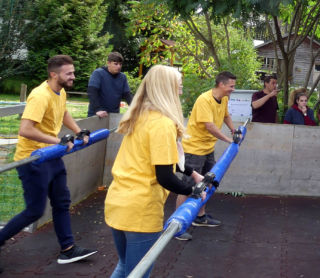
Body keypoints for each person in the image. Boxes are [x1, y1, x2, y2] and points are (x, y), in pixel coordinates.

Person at [105, 65, 205, 277]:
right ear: (166, 88)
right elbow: (165, 176)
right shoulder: (162, 124)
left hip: (118, 202)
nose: (181, 89)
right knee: (139, 273)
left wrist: (192, 173)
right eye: (178, 86)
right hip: (140, 209)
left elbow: (165, 159)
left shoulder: (140, 115)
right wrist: (194, 190)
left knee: (125, 267)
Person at [0, 55, 97, 271]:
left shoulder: (60, 91)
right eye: (69, 73)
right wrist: (58, 140)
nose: (73, 76)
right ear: (54, 74)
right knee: (34, 211)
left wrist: (77, 131)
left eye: (72, 72)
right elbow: (25, 129)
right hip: (33, 159)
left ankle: (68, 249)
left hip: (52, 156)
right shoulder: (39, 96)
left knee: (61, 202)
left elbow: (62, 112)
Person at [175, 71, 238, 240]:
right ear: (221, 85)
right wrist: (228, 140)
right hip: (194, 149)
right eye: (231, 86)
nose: (233, 89)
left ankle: (200, 216)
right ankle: (176, 225)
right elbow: (209, 125)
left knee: (208, 183)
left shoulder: (223, 98)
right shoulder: (204, 100)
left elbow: (225, 115)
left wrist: (233, 129)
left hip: (208, 147)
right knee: (187, 187)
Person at [87, 51, 133, 118]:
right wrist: (98, 109)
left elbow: (127, 95)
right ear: (108, 63)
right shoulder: (98, 73)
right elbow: (92, 92)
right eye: (116, 64)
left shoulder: (122, 77)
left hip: (113, 116)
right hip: (97, 115)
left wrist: (135, 108)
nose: (119, 66)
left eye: (120, 64)